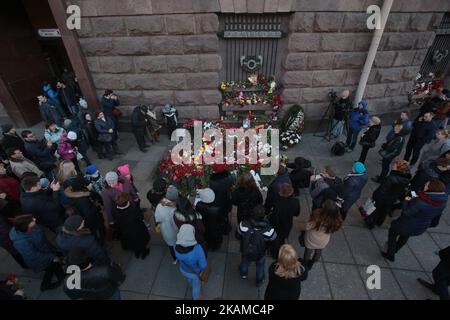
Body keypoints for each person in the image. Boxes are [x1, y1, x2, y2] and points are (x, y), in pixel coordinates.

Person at [382, 179, 448, 262]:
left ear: (431, 189)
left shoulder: (420, 202)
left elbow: (406, 213)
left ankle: (390, 253)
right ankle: (396, 249)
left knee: (393, 232)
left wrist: (406, 199)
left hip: (406, 224)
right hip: (420, 226)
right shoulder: (442, 203)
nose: (425, 185)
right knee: (405, 236)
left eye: (427, 185)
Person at [9, 215, 65, 291]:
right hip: (39, 258)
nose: (34, 219)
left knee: (53, 264)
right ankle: (45, 285)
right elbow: (33, 255)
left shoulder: (29, 228)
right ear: (27, 227)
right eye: (32, 220)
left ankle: (60, 275)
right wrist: (51, 257)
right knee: (50, 266)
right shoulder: (21, 242)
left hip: (45, 250)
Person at [365, 160, 411, 229]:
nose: (393, 166)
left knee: (375, 211)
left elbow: (382, 190)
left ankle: (371, 223)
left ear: (398, 168)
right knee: (384, 210)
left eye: (395, 165)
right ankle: (379, 222)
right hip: (392, 199)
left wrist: (375, 196)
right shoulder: (406, 179)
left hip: (382, 198)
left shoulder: (391, 178)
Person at [238, 204, 276, 287]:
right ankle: (259, 281)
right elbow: (273, 238)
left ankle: (243, 273)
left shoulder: (243, 224)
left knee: (244, 261)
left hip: (245, 250)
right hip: (260, 252)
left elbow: (239, 234)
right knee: (260, 266)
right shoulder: (269, 230)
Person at [299, 200, 342, 270]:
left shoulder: (317, 215)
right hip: (323, 240)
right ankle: (311, 264)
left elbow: (307, 226)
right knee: (318, 252)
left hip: (311, 238)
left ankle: (305, 264)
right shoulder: (337, 220)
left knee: (308, 251)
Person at [64, 175, 105, 242]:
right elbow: (89, 214)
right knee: (98, 229)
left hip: (83, 217)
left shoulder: (74, 194)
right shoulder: (83, 200)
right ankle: (100, 241)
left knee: (93, 231)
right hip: (92, 219)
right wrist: (95, 205)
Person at [173, 224, 207, 300]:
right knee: (196, 286)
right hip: (195, 273)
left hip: (183, 270)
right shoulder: (197, 249)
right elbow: (203, 265)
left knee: (190, 280)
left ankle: (191, 285)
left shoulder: (175, 246)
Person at [113, 192, 150, 259]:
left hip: (126, 232)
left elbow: (117, 222)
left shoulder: (115, 210)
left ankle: (137, 253)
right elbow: (140, 217)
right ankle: (144, 253)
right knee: (141, 242)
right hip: (137, 230)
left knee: (133, 243)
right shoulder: (132, 208)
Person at [268, 183, 300, 258]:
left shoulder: (277, 204)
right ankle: (279, 253)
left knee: (276, 240)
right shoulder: (295, 202)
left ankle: (275, 253)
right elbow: (296, 213)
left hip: (277, 226)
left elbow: (273, 219)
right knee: (281, 239)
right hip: (287, 225)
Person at [154, 185, 179, 263]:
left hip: (167, 232)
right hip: (178, 231)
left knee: (172, 247)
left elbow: (157, 219)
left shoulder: (159, 206)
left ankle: (175, 259)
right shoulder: (178, 207)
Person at [209, 164, 234, 234]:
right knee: (225, 215)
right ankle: (226, 228)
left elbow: (212, 190)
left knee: (218, 215)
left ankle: (219, 228)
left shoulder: (213, 179)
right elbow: (232, 184)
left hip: (216, 200)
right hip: (226, 199)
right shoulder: (229, 177)